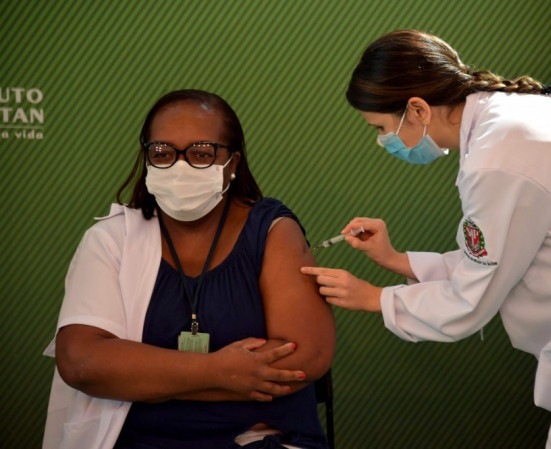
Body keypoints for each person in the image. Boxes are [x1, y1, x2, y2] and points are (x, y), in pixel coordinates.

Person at [301, 29, 551, 449]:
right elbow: (500, 255)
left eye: (382, 127)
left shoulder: (500, 156)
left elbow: (473, 299)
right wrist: (397, 260)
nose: (383, 141)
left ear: (418, 109)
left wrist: (374, 297)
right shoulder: (524, 113)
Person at [43, 89, 335, 449]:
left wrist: (149, 380)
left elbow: (304, 357)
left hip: (258, 439)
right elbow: (80, 361)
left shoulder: (272, 230)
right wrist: (220, 372)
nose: (180, 167)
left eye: (201, 154)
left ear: (233, 163)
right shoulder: (110, 238)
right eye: (162, 153)